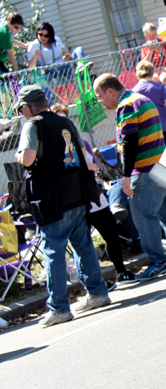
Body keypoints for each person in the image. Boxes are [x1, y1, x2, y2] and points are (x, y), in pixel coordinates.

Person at [15, 85, 111, 327]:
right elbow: (82, 154)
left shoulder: (32, 125)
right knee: (84, 244)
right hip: (76, 192)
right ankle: (98, 292)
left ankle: (59, 307)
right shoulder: (65, 121)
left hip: (51, 197)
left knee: (54, 251)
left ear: (27, 107)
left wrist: (18, 155)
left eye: (20, 108)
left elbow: (27, 159)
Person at [92, 74, 166, 280]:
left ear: (110, 91)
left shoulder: (126, 105)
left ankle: (158, 261)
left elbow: (129, 141)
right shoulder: (142, 99)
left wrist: (126, 176)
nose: (100, 101)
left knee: (144, 216)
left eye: (99, 96)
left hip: (145, 169)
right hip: (161, 164)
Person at [50, 106, 137, 288]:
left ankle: (121, 272)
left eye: (67, 120)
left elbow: (97, 168)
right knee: (82, 243)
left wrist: (94, 168)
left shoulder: (82, 142)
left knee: (112, 233)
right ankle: (93, 284)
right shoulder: (55, 149)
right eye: (60, 121)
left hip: (94, 196)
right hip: (75, 201)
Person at [132, 60, 166, 143]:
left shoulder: (134, 91)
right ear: (152, 72)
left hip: (148, 130)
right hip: (165, 126)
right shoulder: (159, 87)